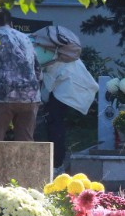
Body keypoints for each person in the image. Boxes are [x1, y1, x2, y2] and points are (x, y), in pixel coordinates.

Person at [33, 26, 98, 171]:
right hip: (65, 89)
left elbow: (48, 84)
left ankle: (57, 162)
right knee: (56, 124)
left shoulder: (53, 59)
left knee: (55, 126)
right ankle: (57, 161)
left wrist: (42, 100)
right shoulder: (60, 55)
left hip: (63, 91)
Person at [0, 9, 42, 141]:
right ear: (10, 23)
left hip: (0, 97)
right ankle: (26, 162)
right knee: (25, 142)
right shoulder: (26, 38)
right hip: (30, 97)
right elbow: (37, 69)